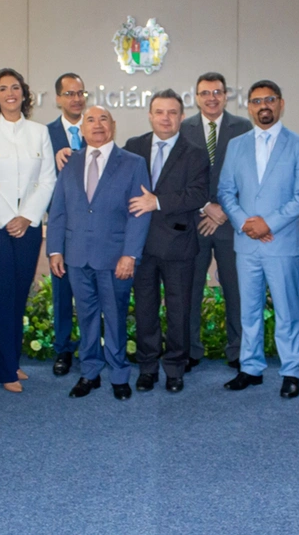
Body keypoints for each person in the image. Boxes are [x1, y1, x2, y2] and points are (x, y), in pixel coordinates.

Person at [47, 105, 151, 401]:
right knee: (87, 315)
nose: (97, 125)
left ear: (113, 125)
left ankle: (119, 373)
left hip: (115, 257)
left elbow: (139, 213)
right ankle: (89, 372)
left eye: (103, 119)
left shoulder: (132, 162)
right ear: (82, 129)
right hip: (76, 255)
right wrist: (55, 249)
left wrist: (130, 254)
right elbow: (58, 210)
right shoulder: (69, 162)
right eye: (90, 120)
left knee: (115, 315)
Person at [219, 80, 299, 398]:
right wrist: (245, 223)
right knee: (249, 311)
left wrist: (268, 223)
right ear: (249, 107)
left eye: (270, 99)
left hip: (281, 242)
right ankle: (251, 368)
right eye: (257, 101)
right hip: (246, 243)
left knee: (288, 310)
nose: (264, 106)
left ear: (281, 104)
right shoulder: (236, 145)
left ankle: (290, 371)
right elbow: (225, 192)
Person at [0, 68, 56, 393]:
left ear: (24, 93)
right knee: (2, 295)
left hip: (29, 226)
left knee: (19, 294)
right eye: (3, 88)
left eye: (15, 87)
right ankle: (4, 370)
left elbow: (47, 178)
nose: (10, 93)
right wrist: (9, 218)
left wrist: (27, 217)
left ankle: (13, 361)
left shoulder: (39, 132)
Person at [124, 89, 209, 393]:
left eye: (172, 112)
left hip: (178, 246)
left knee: (179, 311)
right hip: (141, 245)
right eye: (160, 112)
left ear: (182, 117)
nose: (166, 118)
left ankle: (175, 368)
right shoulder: (133, 146)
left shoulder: (196, 152)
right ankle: (147, 368)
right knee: (145, 309)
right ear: (150, 115)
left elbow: (198, 194)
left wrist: (156, 202)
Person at [181, 72, 251, 371]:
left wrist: (223, 209)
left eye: (217, 92)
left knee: (235, 291)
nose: (212, 98)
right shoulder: (183, 129)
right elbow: (177, 177)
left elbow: (250, 178)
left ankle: (237, 351)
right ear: (196, 97)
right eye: (205, 93)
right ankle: (190, 350)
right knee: (189, 290)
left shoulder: (243, 128)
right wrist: (206, 207)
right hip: (194, 224)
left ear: (226, 96)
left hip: (231, 223)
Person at [46, 73, 86, 376]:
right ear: (59, 98)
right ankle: (62, 350)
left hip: (93, 229)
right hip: (61, 226)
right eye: (69, 94)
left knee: (92, 291)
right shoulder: (43, 135)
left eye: (80, 93)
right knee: (62, 292)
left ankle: (91, 347)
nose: (76, 99)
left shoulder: (97, 129)